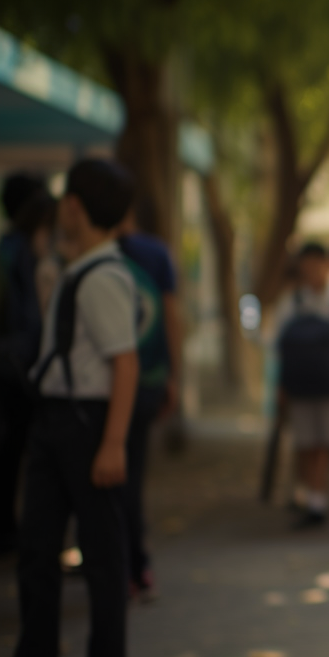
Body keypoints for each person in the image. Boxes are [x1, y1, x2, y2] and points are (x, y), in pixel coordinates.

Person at [0, 159, 139, 657]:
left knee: (101, 551)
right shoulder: (73, 268)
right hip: (55, 416)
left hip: (86, 420)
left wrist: (112, 443)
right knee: (38, 546)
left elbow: (123, 365)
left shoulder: (102, 278)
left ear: (75, 206)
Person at [115, 204, 182, 600]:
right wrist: (173, 374)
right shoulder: (155, 254)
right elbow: (170, 316)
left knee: (112, 483)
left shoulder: (89, 256)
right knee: (131, 476)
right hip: (146, 381)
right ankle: (135, 565)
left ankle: (126, 566)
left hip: (115, 385)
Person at [274, 242, 329, 529]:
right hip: (303, 386)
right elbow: (280, 347)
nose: (312, 271)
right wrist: (281, 387)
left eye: (317, 263)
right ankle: (315, 501)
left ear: (327, 264)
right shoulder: (292, 301)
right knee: (310, 444)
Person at [0, 174, 53, 556]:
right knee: (11, 458)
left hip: (13, 374)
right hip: (12, 377)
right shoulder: (15, 254)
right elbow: (23, 326)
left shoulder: (15, 251)